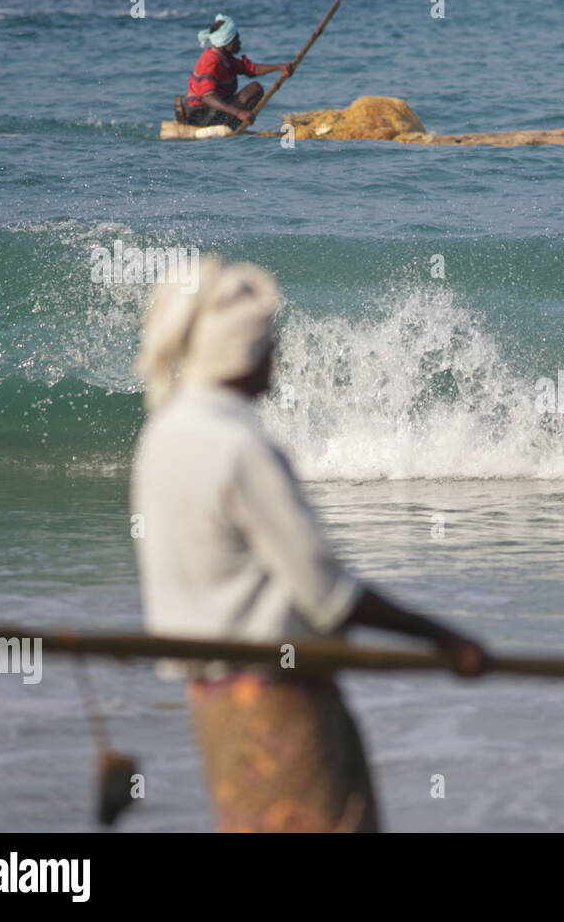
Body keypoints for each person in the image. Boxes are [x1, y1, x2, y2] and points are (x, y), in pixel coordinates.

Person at [132, 257, 487, 832]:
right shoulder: (240, 447)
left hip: (215, 702)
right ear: (237, 350)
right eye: (269, 342)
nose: (277, 354)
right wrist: (446, 639)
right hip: (282, 699)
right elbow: (327, 594)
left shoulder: (162, 435)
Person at [181, 14, 293, 128]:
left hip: (213, 111)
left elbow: (251, 69)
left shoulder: (225, 57)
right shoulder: (210, 61)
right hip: (200, 115)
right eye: (236, 39)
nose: (239, 42)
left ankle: (230, 125)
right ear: (225, 42)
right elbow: (207, 97)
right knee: (253, 90)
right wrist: (238, 113)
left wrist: (279, 67)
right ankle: (228, 126)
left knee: (255, 89)